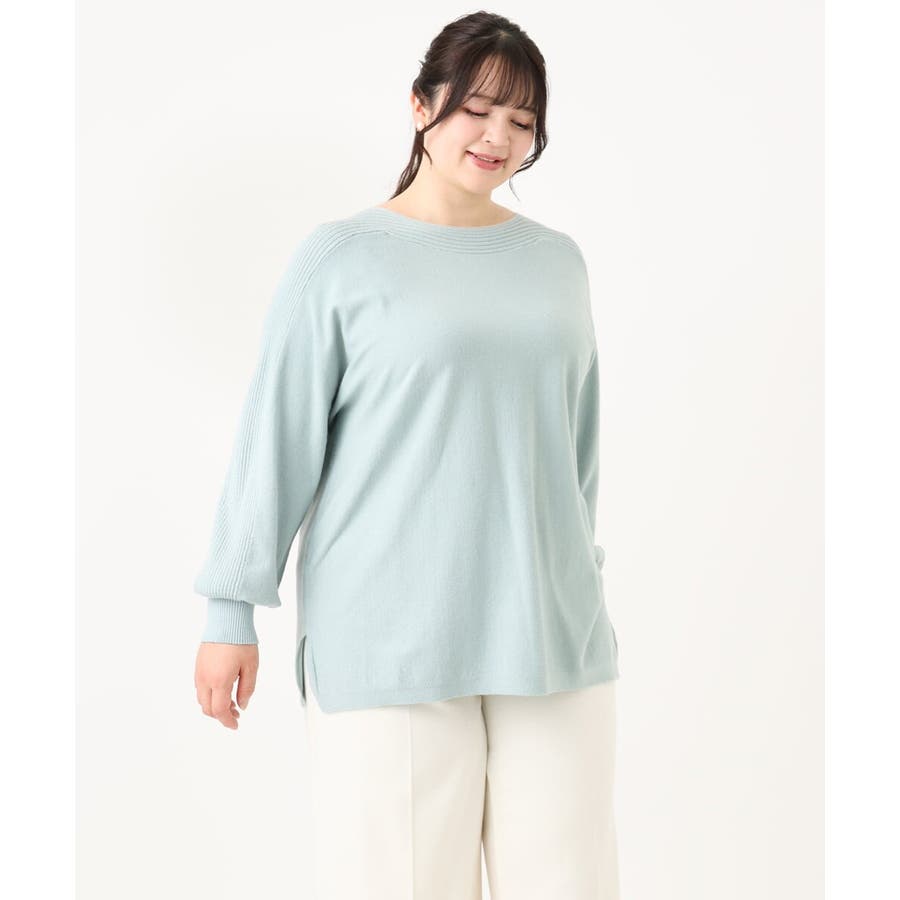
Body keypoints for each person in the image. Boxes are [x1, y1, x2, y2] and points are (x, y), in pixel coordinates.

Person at [192, 10, 621, 900]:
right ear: (422, 105)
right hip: (390, 638)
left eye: (523, 121)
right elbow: (276, 439)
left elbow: (575, 447)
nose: (499, 137)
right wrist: (230, 611)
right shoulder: (343, 258)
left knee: (569, 883)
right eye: (478, 109)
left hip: (550, 628)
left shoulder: (557, 264)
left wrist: (579, 578)